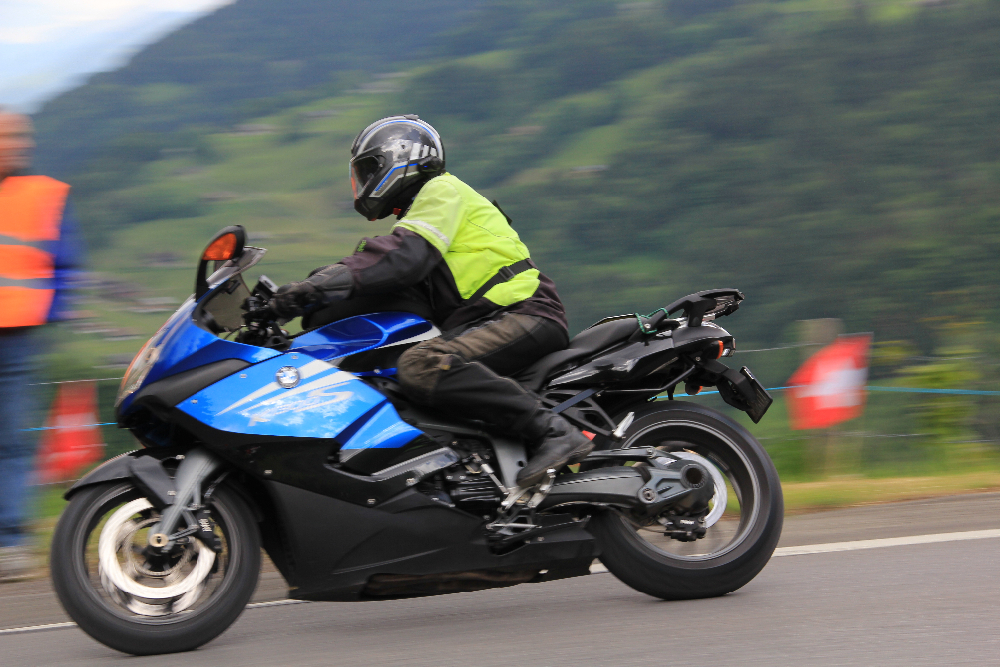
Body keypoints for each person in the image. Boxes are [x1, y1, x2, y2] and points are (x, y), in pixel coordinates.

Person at [270, 115, 593, 488]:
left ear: (402, 157)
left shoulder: (441, 191)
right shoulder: (424, 213)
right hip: (490, 319)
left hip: (523, 312)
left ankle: (554, 432)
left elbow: (401, 258)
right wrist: (309, 299)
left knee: (421, 364)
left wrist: (313, 288)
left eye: (369, 169)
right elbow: (390, 288)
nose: (363, 180)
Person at [0, 109, 83, 579]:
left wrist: (49, 310)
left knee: (12, 441)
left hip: (18, 339)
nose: (11, 145)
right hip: (17, 335)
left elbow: (67, 263)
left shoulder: (46, 194)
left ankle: (11, 542)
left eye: (17, 137)